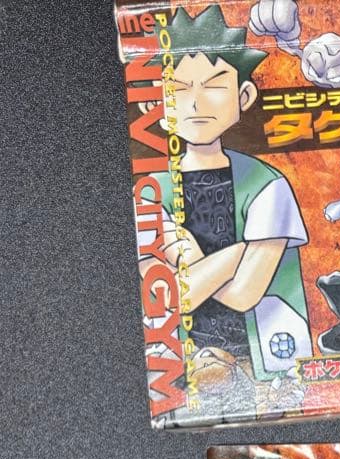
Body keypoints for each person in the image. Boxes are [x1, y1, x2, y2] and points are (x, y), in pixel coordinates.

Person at [138, 4, 312, 412]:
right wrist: (239, 253)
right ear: (157, 105)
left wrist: (194, 259)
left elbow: (244, 294)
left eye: (214, 87)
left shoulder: (268, 185)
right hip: (180, 368)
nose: (195, 104)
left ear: (243, 96)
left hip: (266, 364)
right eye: (179, 90)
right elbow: (168, 298)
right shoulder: (150, 191)